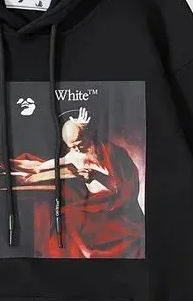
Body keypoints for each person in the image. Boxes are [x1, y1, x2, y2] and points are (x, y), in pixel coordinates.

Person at [33, 108, 144, 258]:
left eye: (80, 144)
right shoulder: (74, 155)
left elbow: (122, 183)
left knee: (74, 216)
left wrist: (95, 175)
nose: (76, 149)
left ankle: (89, 252)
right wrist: (35, 168)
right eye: (72, 147)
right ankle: (85, 252)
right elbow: (47, 165)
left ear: (88, 135)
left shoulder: (110, 151)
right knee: (68, 216)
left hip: (115, 202)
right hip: (94, 203)